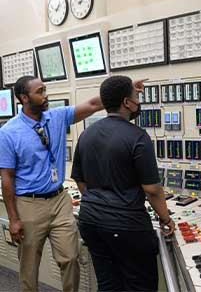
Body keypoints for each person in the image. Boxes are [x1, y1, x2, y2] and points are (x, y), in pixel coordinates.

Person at [0, 75, 145, 292]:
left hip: (59, 200)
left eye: (45, 89)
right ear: (24, 98)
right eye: (40, 91)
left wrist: (125, 89)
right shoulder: (9, 133)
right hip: (29, 204)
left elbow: (94, 104)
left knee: (70, 258)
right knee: (29, 267)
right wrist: (13, 219)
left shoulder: (57, 117)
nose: (46, 95)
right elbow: (7, 177)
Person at [71, 75, 175, 292]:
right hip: (127, 226)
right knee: (140, 286)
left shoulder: (86, 134)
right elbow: (152, 189)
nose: (138, 101)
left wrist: (99, 201)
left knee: (108, 284)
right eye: (136, 96)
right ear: (127, 103)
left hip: (90, 220)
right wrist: (165, 218)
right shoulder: (138, 136)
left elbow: (80, 181)